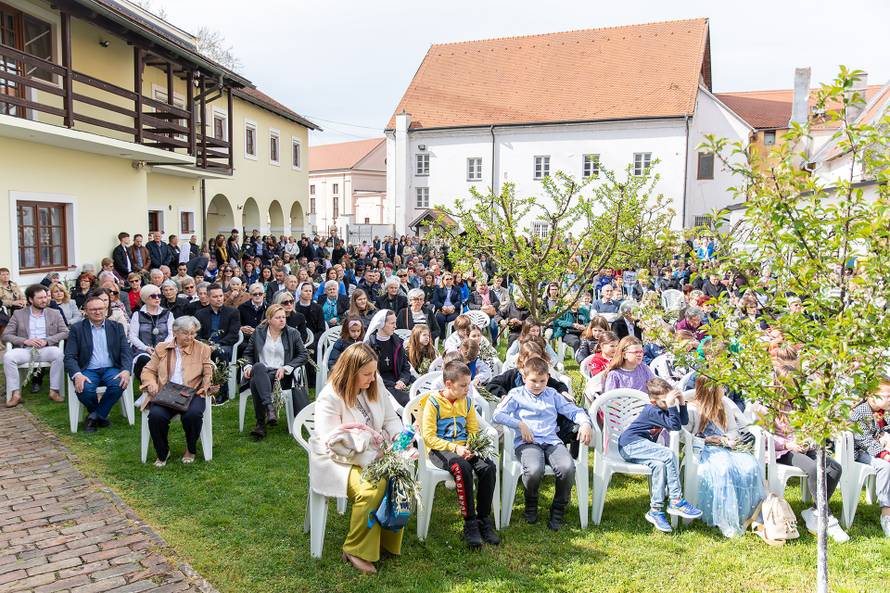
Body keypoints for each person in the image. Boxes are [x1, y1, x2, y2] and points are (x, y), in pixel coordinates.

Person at [310, 343, 404, 574]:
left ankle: (386, 540)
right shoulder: (330, 397)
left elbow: (390, 418)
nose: (372, 379)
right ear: (351, 372)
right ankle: (355, 549)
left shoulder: (375, 382)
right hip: (339, 460)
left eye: (374, 373)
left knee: (400, 478)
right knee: (372, 489)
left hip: (375, 451)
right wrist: (372, 455)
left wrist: (399, 438)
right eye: (367, 374)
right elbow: (332, 444)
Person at [492, 356, 592, 530]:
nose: (537, 385)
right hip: (527, 443)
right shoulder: (516, 394)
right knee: (533, 470)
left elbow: (573, 410)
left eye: (542, 381)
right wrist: (519, 424)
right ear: (524, 378)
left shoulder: (552, 394)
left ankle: (558, 508)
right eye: (533, 381)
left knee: (567, 468)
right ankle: (531, 503)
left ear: (548, 378)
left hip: (551, 440)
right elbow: (497, 415)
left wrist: (585, 422)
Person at [421, 360, 500, 547]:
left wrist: (471, 445)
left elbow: (472, 428)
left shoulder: (467, 402)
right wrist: (455, 448)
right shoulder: (433, 403)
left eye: (469, 383)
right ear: (449, 384)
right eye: (463, 385)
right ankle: (470, 523)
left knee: (488, 467)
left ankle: (483, 519)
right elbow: (428, 437)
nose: (468, 388)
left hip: (464, 447)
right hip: (441, 450)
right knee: (461, 467)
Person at [770, 362, 848, 541]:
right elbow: (765, 436)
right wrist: (788, 445)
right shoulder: (769, 405)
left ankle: (815, 510)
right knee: (813, 469)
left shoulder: (801, 405)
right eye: (792, 384)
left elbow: (811, 428)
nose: (796, 388)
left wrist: (807, 440)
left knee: (835, 467)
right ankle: (825, 516)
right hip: (782, 452)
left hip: (803, 447)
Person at [617, 376, 702, 533]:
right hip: (630, 444)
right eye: (664, 401)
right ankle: (676, 500)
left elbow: (682, 421)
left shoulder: (664, 407)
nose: (669, 404)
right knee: (668, 454)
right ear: (653, 401)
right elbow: (675, 427)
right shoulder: (652, 410)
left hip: (642, 447)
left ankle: (655, 510)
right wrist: (671, 406)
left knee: (660, 465)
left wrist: (681, 402)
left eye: (669, 400)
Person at [685, 377, 765, 538]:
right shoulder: (693, 409)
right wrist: (708, 439)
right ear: (711, 390)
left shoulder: (725, 406)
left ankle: (750, 515)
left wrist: (729, 438)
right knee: (724, 469)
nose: (725, 389)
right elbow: (685, 435)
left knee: (750, 466)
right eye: (721, 387)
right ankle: (725, 516)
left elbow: (734, 429)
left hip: (728, 446)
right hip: (706, 449)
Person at [140, 316, 214, 466]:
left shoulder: (202, 348)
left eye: (193, 333)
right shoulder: (162, 347)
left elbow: (208, 373)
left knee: (192, 415)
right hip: (167, 393)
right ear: (175, 332)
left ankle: (190, 449)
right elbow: (148, 370)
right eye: (186, 333)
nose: (190, 337)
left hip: (192, 393)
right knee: (156, 416)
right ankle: (163, 452)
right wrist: (151, 383)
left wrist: (205, 387)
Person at [64, 294, 133, 432]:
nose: (98, 312)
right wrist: (77, 374)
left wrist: (126, 370)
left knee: (118, 384)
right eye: (93, 309)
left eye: (101, 308)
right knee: (85, 390)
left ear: (106, 309)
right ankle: (100, 416)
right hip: (88, 370)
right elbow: (69, 356)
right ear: (86, 311)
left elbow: (126, 352)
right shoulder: (77, 329)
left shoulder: (116, 327)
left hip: (111, 369)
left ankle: (94, 417)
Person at [242, 304, 309, 439]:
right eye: (278, 317)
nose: (282, 320)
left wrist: (286, 367)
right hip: (261, 371)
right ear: (269, 319)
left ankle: (260, 423)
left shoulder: (292, 333)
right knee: (259, 367)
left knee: (256, 380)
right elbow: (247, 354)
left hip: (280, 376)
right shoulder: (259, 332)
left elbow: (303, 355)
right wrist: (248, 366)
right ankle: (269, 408)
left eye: (283, 317)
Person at [3, 284, 69, 406]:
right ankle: (15, 394)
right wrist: (24, 341)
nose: (44, 300)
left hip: (46, 349)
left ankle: (54, 391)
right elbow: (6, 335)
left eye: (45, 297)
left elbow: (65, 332)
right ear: (30, 300)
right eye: (40, 298)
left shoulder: (54, 313)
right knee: (8, 357)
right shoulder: (19, 314)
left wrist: (47, 340)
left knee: (59, 354)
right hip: (25, 350)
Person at [849, 374, 890, 537]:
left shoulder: (883, 412)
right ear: (872, 396)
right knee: (885, 466)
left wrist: (885, 435)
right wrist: (884, 453)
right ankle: (886, 513)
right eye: (887, 396)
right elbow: (863, 440)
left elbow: (885, 429)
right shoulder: (860, 413)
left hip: (876, 449)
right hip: (859, 453)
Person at [194, 284, 241, 404]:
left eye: (221, 296)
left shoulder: (233, 312)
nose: (219, 299)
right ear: (208, 298)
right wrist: (205, 345)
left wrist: (216, 345)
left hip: (224, 346)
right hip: (204, 346)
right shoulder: (200, 314)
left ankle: (222, 392)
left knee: (219, 352)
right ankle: (196, 389)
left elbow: (233, 335)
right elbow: (196, 334)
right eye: (215, 297)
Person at [364, 310, 413, 407]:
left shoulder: (397, 342)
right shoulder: (370, 345)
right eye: (392, 323)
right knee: (407, 400)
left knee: (418, 394)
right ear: (381, 324)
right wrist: (393, 384)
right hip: (380, 384)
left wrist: (403, 380)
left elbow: (405, 366)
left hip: (399, 379)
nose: (395, 326)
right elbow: (371, 374)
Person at [129, 285, 174, 379]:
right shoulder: (137, 315)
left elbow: (172, 334)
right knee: (144, 360)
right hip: (143, 350)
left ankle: (164, 388)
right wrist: (146, 348)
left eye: (159, 295)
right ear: (145, 298)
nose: (157, 298)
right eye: (153, 296)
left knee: (167, 360)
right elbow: (133, 336)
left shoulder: (168, 314)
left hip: (164, 349)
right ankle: (148, 387)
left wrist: (161, 347)